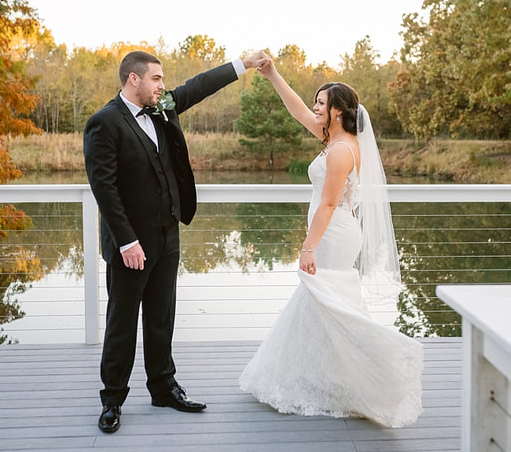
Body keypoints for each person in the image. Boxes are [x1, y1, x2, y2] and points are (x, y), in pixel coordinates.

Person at [84, 49, 267, 433]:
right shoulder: (104, 123)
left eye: (162, 80)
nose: (162, 86)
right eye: (156, 79)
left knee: (162, 317)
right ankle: (112, 399)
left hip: (168, 234)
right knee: (121, 323)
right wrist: (126, 242)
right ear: (133, 79)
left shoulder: (162, 106)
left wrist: (243, 64)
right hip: (131, 245)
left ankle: (163, 388)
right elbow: (105, 189)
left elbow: (198, 87)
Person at [239, 56, 424, 428]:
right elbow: (298, 111)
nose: (315, 108)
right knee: (324, 301)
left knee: (326, 297)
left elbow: (327, 202)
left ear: (337, 111)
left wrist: (308, 246)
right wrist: (273, 75)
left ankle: (378, 365)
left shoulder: (341, 150)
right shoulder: (334, 139)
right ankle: (324, 375)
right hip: (335, 230)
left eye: (322, 104)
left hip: (333, 235)